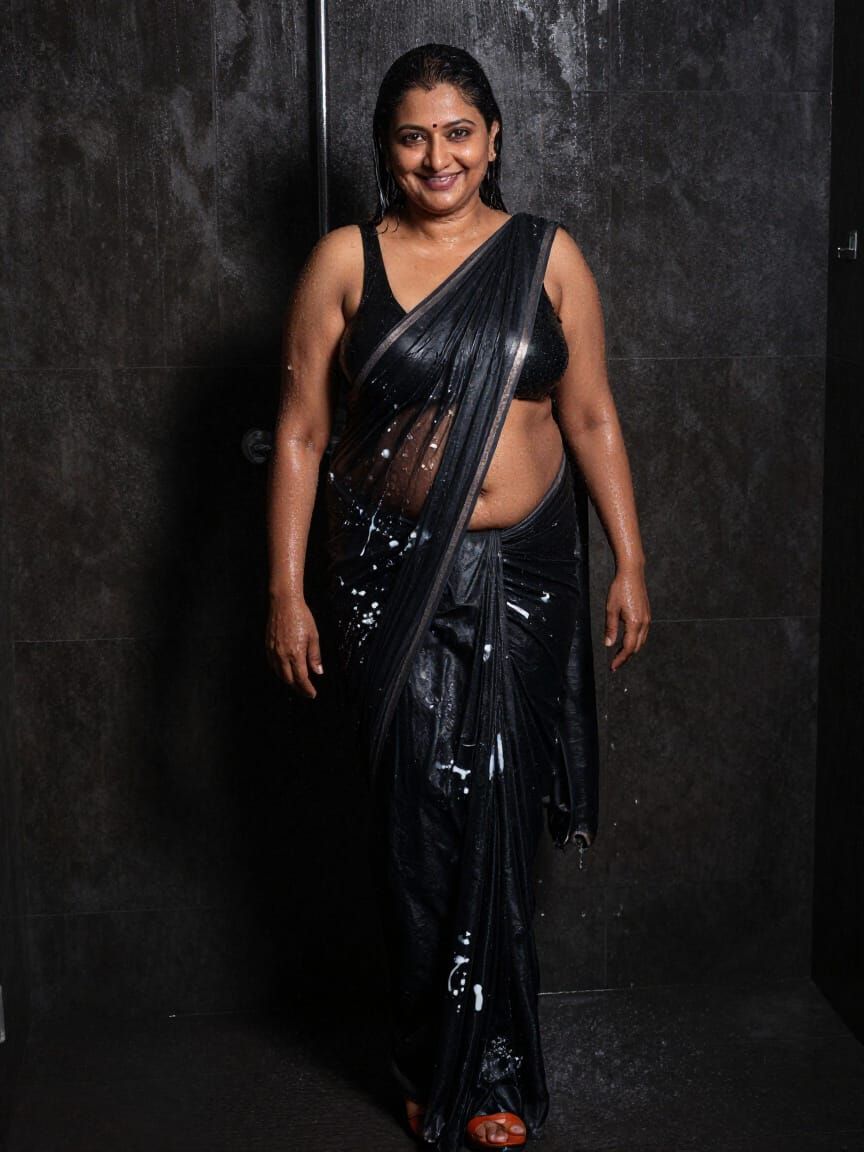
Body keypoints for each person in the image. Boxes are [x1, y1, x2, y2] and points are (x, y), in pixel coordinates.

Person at [265, 43, 650, 1151]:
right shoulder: (346, 262)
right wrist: (285, 590)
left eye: (458, 132)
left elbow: (591, 416)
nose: (438, 157)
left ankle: (495, 1074)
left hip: (527, 574)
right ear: (385, 151)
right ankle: (431, 1060)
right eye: (412, 137)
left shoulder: (547, 257)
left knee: (500, 819)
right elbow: (300, 433)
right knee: (418, 827)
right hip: (393, 581)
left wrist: (631, 558)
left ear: (493, 139)